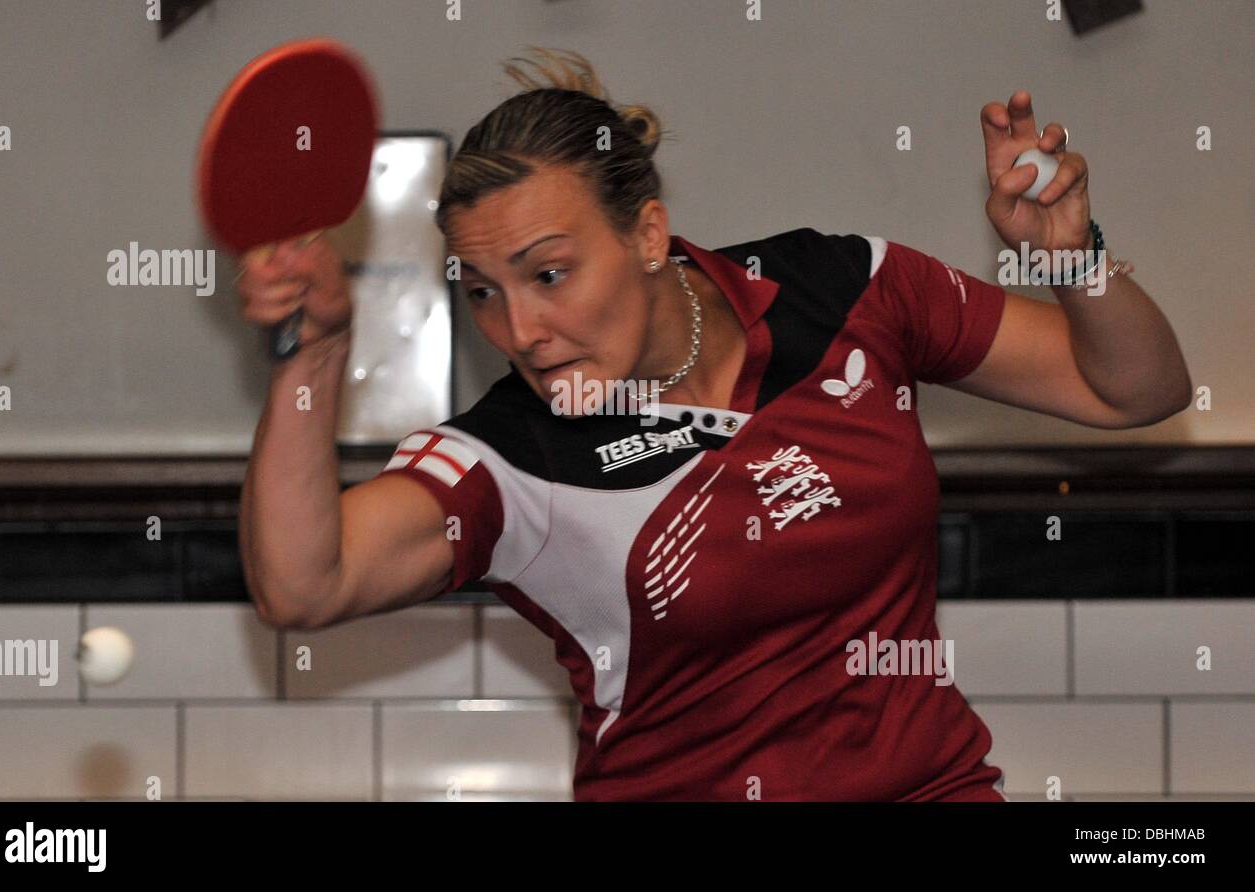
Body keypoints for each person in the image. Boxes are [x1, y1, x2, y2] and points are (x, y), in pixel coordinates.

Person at [236, 48, 1192, 801]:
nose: (519, 330)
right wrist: (313, 355)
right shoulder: (511, 459)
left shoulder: (844, 288)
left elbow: (1134, 392)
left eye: (549, 274)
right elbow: (303, 587)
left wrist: (1074, 263)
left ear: (648, 235)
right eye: (483, 292)